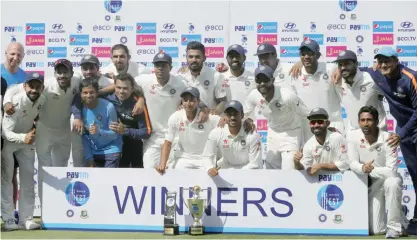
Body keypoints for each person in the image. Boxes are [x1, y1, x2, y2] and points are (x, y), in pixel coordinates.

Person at [3, 59, 82, 203]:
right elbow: (14, 88)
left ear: (71, 73)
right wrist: (7, 102)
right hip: (44, 132)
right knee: (45, 171)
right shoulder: (46, 86)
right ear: (54, 73)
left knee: (61, 171)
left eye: (65, 72)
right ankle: (46, 210)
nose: (62, 75)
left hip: (64, 132)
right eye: (59, 72)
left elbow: (94, 83)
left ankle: (59, 208)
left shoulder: (77, 80)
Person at [360, 47, 417, 225]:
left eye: (387, 61)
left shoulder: (410, 78)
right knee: (415, 173)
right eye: (380, 61)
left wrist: (401, 133)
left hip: (408, 129)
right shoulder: (377, 73)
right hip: (405, 132)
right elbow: (354, 68)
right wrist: (336, 70)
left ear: (396, 61)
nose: (384, 65)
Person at [135, 52, 208, 168]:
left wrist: (204, 110)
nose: (160, 68)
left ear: (170, 67)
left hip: (175, 137)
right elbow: (122, 83)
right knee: (149, 170)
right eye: (157, 65)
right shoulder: (144, 80)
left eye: (164, 65)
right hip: (153, 138)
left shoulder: (181, 82)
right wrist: (140, 98)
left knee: (172, 173)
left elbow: (198, 100)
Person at [348, 106, 406, 238]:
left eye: (369, 120)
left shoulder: (389, 138)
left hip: (386, 181)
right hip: (369, 185)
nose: (366, 123)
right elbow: (352, 163)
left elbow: (391, 171)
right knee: (376, 230)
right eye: (362, 120)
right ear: (358, 122)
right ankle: (399, 210)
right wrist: (362, 168)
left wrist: (370, 170)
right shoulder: (353, 136)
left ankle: (394, 227)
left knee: (394, 181)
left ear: (377, 121)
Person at [1, 72, 45, 230]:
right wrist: (23, 138)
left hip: (27, 142)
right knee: (6, 180)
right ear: (25, 86)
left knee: (27, 181)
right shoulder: (15, 102)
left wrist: (34, 129)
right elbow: (5, 133)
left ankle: (25, 219)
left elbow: (38, 117)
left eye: (37, 87)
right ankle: (8, 220)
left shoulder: (43, 99)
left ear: (42, 88)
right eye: (31, 86)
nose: (34, 90)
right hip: (9, 142)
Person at [244, 65, 309, 169]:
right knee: (271, 169)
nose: (262, 84)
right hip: (273, 132)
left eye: (265, 80)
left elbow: (306, 115)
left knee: (289, 169)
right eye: (258, 80)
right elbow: (243, 113)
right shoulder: (254, 95)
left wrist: (308, 142)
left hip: (291, 132)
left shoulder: (288, 96)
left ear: (272, 80)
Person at [156, 87, 220, 172]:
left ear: (198, 102)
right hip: (183, 157)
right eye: (185, 100)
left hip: (205, 158)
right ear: (182, 101)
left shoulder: (208, 117)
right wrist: (162, 165)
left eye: (192, 100)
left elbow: (226, 123)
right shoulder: (176, 117)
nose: (188, 103)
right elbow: (167, 143)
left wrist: (224, 118)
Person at [289, 39, 342, 142]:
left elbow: (349, 67)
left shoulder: (331, 68)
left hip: (333, 124)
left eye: (310, 53)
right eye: (303, 54)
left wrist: (340, 70)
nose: (306, 57)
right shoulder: (294, 74)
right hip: (309, 127)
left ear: (318, 55)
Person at [71, 54, 114, 167]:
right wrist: (77, 117)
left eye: (91, 68)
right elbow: (76, 100)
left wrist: (99, 92)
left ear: (98, 68)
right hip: (85, 129)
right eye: (85, 69)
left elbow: (122, 85)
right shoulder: (79, 81)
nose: (88, 72)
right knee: (81, 163)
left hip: (105, 130)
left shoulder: (108, 81)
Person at [1, 42, 26, 223]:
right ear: (5, 54)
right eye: (12, 54)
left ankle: (13, 212)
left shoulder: (25, 76)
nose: (14, 57)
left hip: (16, 131)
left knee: (11, 175)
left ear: (22, 57)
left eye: (18, 55)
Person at [203, 100, 262, 175]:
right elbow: (206, 156)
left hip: (247, 169)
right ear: (224, 116)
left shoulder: (253, 134)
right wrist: (210, 168)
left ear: (242, 115)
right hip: (226, 166)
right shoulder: (217, 132)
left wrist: (235, 174)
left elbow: (254, 164)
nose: (232, 117)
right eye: (229, 114)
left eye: (236, 114)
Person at [332, 50, 386, 132]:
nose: (343, 68)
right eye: (340, 65)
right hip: (354, 134)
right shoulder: (337, 82)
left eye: (347, 64)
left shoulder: (372, 79)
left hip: (377, 132)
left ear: (356, 64)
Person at [106, 73, 152, 168]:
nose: (121, 91)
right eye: (118, 87)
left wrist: (124, 131)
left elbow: (147, 132)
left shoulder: (138, 104)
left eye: (125, 88)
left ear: (132, 89)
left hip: (132, 144)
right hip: (111, 145)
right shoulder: (107, 98)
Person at [79, 78, 123, 168]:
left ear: (97, 93)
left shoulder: (108, 107)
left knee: (108, 180)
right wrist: (89, 158)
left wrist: (99, 132)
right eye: (85, 93)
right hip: (94, 151)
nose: (88, 95)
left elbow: (115, 135)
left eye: (92, 92)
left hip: (112, 149)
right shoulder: (80, 110)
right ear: (80, 94)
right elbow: (85, 137)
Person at [293, 108, 349, 175]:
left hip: (340, 179)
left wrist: (321, 166)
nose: (316, 125)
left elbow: (346, 163)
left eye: (320, 122)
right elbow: (305, 169)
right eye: (312, 122)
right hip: (320, 182)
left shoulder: (338, 138)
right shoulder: (308, 145)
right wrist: (297, 163)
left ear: (327, 123)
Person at [177, 41, 227, 114]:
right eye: (190, 57)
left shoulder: (216, 76)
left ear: (204, 58)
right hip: (186, 122)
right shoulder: (179, 76)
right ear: (186, 58)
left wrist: (214, 113)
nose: (194, 60)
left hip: (208, 121)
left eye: (197, 57)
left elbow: (223, 101)